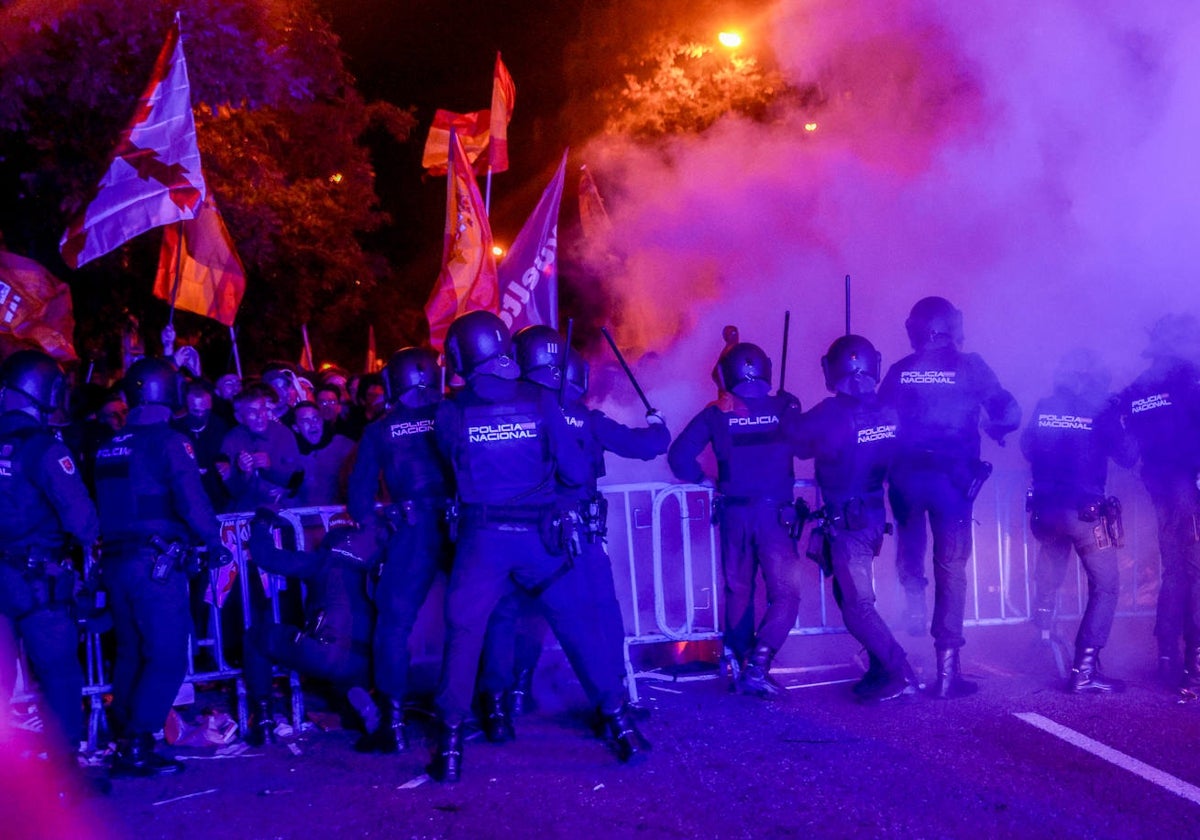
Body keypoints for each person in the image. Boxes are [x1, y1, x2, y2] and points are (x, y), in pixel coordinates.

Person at [429, 311, 648, 782]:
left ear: (462, 357)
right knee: (577, 630)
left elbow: (454, 469)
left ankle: (449, 749)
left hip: (481, 543)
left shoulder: (451, 410)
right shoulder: (541, 397)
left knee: (465, 635)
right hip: (540, 541)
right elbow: (573, 472)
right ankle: (621, 726)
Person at [480, 327, 670, 729]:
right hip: (578, 535)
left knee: (521, 613)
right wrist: (658, 424)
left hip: (523, 535)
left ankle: (512, 697)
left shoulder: (510, 412)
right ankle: (612, 702)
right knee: (600, 614)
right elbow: (648, 445)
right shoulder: (586, 418)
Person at [92, 357, 230, 777]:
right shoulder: (170, 441)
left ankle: (124, 737)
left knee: (132, 651)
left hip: (116, 563)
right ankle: (138, 743)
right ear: (167, 393)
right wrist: (214, 541)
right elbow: (192, 497)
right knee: (169, 654)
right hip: (156, 565)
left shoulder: (108, 445)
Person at [878, 296, 1020, 698]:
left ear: (917, 330)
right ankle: (946, 671)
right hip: (952, 484)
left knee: (910, 541)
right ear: (949, 326)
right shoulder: (972, 367)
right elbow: (1009, 411)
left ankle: (913, 602)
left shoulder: (900, 371)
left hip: (905, 478)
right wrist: (997, 428)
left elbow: (879, 421)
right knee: (952, 567)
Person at [787, 335, 919, 702]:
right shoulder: (890, 410)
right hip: (872, 516)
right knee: (850, 601)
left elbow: (793, 439)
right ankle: (880, 666)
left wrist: (785, 408)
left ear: (831, 370)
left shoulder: (829, 413)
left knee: (857, 605)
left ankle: (899, 671)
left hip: (848, 524)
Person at [667, 342, 802, 696]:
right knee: (786, 593)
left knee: (738, 590)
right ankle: (758, 665)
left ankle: (744, 665)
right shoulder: (783, 406)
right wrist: (790, 411)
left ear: (728, 375)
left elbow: (680, 455)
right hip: (774, 516)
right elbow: (806, 446)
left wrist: (704, 481)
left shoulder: (717, 412)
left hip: (734, 514)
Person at [0, 350, 107, 795]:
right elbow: (82, 521)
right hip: (35, 580)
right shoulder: (45, 447)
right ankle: (66, 774)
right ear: (44, 392)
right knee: (60, 674)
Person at [346, 347, 453, 754]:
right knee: (480, 616)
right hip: (463, 524)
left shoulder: (380, 430)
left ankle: (392, 724)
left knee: (393, 625)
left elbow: (359, 497)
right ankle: (492, 709)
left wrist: (380, 520)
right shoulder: (452, 413)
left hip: (412, 529)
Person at [1022, 349, 1137, 693]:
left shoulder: (1045, 406)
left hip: (1045, 511)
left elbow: (1027, 448)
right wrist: (1117, 417)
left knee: (1053, 555)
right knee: (1107, 586)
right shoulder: (1100, 411)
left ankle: (1042, 622)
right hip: (1083, 511)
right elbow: (1129, 456)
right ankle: (1084, 670)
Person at [241, 509, 376, 746]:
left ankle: (263, 720)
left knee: (256, 638)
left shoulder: (321, 561)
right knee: (345, 676)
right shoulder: (373, 567)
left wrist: (261, 525)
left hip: (323, 649)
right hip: (363, 660)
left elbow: (267, 556)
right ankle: (361, 700)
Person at [1117, 314, 1200, 689]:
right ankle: (1195, 664)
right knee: (1196, 572)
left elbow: (1126, 435)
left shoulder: (1138, 387)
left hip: (1158, 486)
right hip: (1190, 487)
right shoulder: (1190, 377)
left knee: (1174, 572)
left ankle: (1167, 656)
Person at [219, 382, 304, 513]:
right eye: (252, 412)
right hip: (246, 514)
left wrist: (271, 468)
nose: (261, 415)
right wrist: (243, 473)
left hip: (281, 510)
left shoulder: (282, 433)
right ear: (239, 417)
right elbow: (231, 491)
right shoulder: (231, 440)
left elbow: (296, 477)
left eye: (263, 409)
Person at [171, 379, 232, 511]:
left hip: (217, 498)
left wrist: (227, 464)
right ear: (186, 408)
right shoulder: (176, 429)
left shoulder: (219, 426)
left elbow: (228, 454)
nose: (201, 415)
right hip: (186, 499)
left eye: (206, 411)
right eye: (196, 411)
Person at [290, 400, 356, 507]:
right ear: (296, 428)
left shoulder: (342, 445)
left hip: (338, 518)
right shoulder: (290, 452)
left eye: (316, 418)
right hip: (304, 519)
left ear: (322, 421)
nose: (313, 424)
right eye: (305, 421)